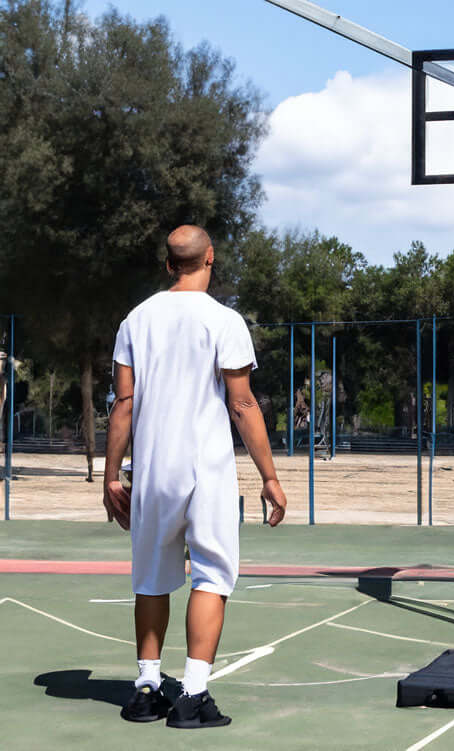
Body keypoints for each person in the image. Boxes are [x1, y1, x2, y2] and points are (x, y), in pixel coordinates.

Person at [103, 225, 288, 728]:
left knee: (150, 579)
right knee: (212, 576)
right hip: (206, 471)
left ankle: (146, 689)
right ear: (210, 258)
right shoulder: (225, 320)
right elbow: (242, 404)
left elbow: (124, 404)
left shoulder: (135, 320)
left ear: (169, 265)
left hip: (151, 471)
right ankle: (192, 695)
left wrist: (112, 476)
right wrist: (269, 476)